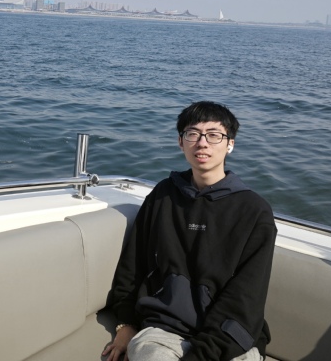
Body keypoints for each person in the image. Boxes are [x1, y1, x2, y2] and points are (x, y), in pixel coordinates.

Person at [102, 101, 277, 361]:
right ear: (180, 142)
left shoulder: (254, 211)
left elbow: (246, 297)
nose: (202, 143)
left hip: (227, 340)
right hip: (163, 330)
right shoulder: (163, 196)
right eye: (192, 134)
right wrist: (125, 322)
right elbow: (133, 265)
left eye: (214, 135)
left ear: (230, 144)